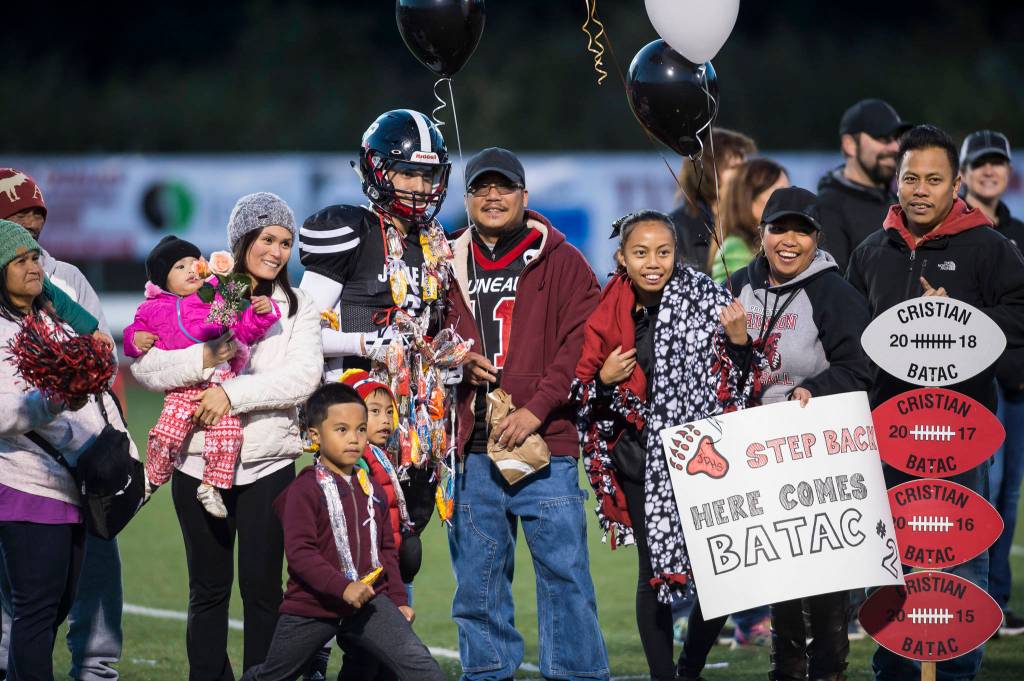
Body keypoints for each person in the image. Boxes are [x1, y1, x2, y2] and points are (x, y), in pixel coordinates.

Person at [846, 125, 1024, 681]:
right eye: (910, 178)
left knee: (959, 556)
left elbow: (1019, 319)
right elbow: (851, 339)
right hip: (887, 434)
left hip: (959, 435)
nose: (920, 189)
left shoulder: (991, 247)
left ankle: (956, 670)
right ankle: (894, 669)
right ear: (896, 181)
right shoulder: (872, 252)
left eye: (934, 179)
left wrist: (963, 322)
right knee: (892, 560)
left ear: (956, 185)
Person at [130, 192, 323, 678]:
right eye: (266, 239)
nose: (277, 251)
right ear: (242, 240)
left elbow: (303, 379)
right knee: (208, 590)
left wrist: (230, 395)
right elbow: (148, 368)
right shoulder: (205, 292)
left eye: (285, 241)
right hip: (195, 466)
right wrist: (201, 361)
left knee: (262, 592)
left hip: (268, 467)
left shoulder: (299, 306)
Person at [571, 209, 761, 681]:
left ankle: (689, 667)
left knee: (723, 575)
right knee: (651, 574)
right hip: (636, 457)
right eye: (640, 252)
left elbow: (740, 390)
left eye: (663, 251)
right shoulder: (606, 310)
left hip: (703, 457)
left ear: (676, 254)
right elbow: (577, 394)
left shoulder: (707, 300)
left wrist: (739, 343)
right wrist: (603, 379)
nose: (652, 262)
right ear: (621, 257)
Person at [444, 147, 610, 680]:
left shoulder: (563, 260)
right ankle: (487, 675)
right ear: (467, 198)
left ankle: (579, 675)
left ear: (524, 196)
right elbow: (424, 341)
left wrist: (536, 409)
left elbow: (581, 344)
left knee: (566, 580)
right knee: (477, 584)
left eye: (505, 187)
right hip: (471, 449)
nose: (493, 197)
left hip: (547, 446)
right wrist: (454, 362)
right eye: (482, 188)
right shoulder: (444, 263)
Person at [298, 112, 454, 669]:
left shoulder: (433, 243)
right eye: (406, 174)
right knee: (344, 566)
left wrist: (444, 358)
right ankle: (307, 662)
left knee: (401, 559)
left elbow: (427, 331)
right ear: (377, 170)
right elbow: (301, 331)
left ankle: (367, 670)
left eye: (426, 176)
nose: (418, 188)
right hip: (353, 427)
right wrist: (372, 343)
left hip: (414, 430)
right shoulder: (352, 230)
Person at [730, 187, 872, 681]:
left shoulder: (832, 291)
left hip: (819, 452)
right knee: (779, 577)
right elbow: (718, 373)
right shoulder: (736, 288)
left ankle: (829, 671)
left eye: (802, 231)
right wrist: (736, 345)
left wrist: (814, 389)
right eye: (779, 229)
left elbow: (862, 368)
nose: (790, 241)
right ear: (761, 234)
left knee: (824, 578)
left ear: (818, 238)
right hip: (756, 454)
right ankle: (785, 672)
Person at [0, 168, 127, 681]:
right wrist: (54, 397)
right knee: (28, 607)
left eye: (37, 214)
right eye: (17, 217)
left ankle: (94, 670)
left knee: (67, 595)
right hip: (23, 477)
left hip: (79, 474)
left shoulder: (61, 287)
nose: (32, 224)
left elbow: (102, 352)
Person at [240, 383, 443, 681]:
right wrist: (343, 587)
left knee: (424, 670)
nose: (354, 439)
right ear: (315, 436)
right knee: (273, 676)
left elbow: (387, 551)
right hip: (312, 605)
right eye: (342, 430)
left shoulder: (372, 487)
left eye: (361, 429)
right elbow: (300, 555)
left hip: (369, 601)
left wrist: (399, 600)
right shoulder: (303, 490)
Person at [123, 236, 281, 517]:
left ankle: (211, 486)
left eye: (194, 263)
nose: (191, 270)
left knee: (230, 436)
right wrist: (135, 338)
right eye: (179, 267)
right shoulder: (152, 308)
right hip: (183, 389)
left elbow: (243, 332)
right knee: (167, 434)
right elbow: (132, 336)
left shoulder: (218, 297)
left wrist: (261, 315)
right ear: (162, 280)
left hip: (221, 383)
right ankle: (152, 478)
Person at [959, 130, 1024, 636]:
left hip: (1018, 385)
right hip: (977, 387)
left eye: (997, 163)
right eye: (980, 163)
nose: (989, 171)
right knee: (986, 489)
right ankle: (974, 595)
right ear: (962, 173)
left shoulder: (1019, 232)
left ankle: (996, 599)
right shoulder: (954, 231)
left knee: (1008, 495)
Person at [334, 369, 410, 680]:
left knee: (387, 657)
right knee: (363, 655)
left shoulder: (382, 455)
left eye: (389, 412)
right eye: (375, 412)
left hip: (386, 571)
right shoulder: (357, 461)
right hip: (365, 575)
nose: (385, 420)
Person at [817, 99, 912, 273]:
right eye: (883, 138)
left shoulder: (899, 201)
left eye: (897, 138)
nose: (895, 147)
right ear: (850, 145)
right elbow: (834, 288)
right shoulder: (828, 208)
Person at [669, 128, 757, 274]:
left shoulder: (755, 221)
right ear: (707, 170)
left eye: (745, 167)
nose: (744, 175)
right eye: (734, 167)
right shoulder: (676, 228)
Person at [709, 158, 789, 283]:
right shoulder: (735, 247)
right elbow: (733, 297)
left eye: (788, 193)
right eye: (778, 195)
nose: (788, 202)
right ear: (749, 200)